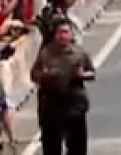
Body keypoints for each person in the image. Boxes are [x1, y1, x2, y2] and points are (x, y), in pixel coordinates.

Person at [31, 19, 95, 155]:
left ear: (71, 35)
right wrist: (45, 76)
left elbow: (92, 73)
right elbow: (34, 74)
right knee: (51, 147)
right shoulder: (45, 53)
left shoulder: (79, 53)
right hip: (51, 106)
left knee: (77, 147)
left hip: (74, 106)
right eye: (59, 33)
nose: (62, 36)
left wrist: (82, 75)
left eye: (66, 32)